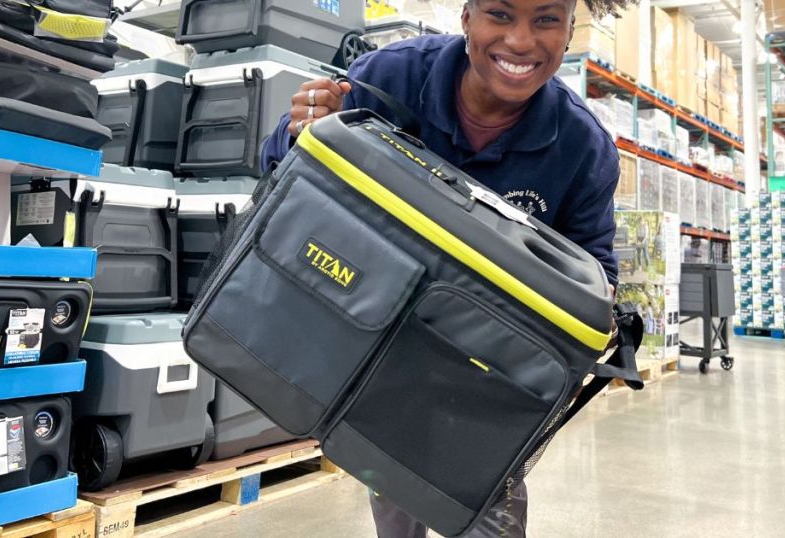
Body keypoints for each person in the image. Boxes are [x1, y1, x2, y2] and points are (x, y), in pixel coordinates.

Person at [260, 0, 636, 535]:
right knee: (396, 488)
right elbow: (279, 168)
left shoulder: (582, 147)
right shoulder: (391, 76)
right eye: (500, 15)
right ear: (466, 18)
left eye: (546, 19)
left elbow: (595, 265)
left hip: (489, 367)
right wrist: (300, 130)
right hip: (378, 334)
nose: (522, 41)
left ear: (571, 31)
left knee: (491, 503)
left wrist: (598, 314)